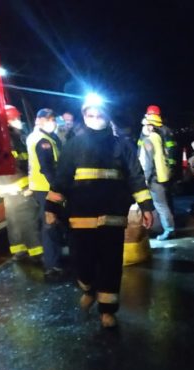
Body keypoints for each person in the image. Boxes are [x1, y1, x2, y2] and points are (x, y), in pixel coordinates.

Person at [44, 102, 154, 328]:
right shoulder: (74, 145)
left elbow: (135, 176)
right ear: (84, 117)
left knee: (110, 265)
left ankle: (107, 311)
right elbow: (62, 177)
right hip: (80, 216)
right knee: (82, 263)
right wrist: (51, 207)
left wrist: (146, 206)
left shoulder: (122, 146)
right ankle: (89, 289)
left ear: (107, 116)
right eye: (90, 115)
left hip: (112, 216)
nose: (95, 118)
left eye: (99, 114)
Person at [0, 105, 42, 263]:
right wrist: (30, 182)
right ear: (8, 121)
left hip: (7, 187)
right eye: (16, 118)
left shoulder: (3, 137)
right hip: (19, 184)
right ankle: (36, 251)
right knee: (28, 219)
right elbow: (20, 161)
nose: (19, 121)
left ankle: (19, 250)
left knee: (14, 220)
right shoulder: (12, 139)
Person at [26, 108, 63, 279]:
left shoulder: (43, 136)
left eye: (53, 118)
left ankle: (54, 260)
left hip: (42, 187)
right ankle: (52, 265)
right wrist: (56, 188)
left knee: (51, 223)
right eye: (49, 119)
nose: (52, 121)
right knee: (50, 225)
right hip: (46, 188)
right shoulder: (42, 140)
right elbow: (46, 167)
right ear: (39, 120)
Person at [138, 114, 175, 240]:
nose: (144, 127)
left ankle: (168, 230)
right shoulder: (158, 137)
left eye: (146, 124)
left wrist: (145, 178)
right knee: (161, 205)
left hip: (154, 178)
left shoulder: (149, 140)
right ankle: (165, 228)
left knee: (160, 205)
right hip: (161, 176)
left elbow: (148, 162)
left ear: (151, 126)